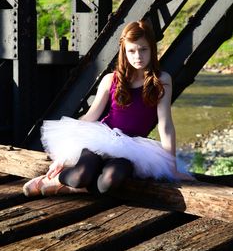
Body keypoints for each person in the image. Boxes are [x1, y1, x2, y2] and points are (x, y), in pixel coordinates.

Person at [23, 20, 193, 197]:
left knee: (109, 182)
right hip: (102, 137)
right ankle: (54, 180)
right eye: (132, 51)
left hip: (133, 147)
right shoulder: (111, 79)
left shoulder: (161, 80)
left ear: (152, 49)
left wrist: (172, 168)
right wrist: (63, 157)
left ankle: (72, 188)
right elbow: (90, 117)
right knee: (80, 176)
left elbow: (165, 125)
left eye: (143, 49)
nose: (138, 56)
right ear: (124, 52)